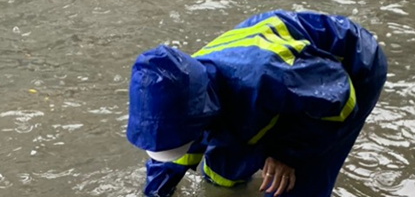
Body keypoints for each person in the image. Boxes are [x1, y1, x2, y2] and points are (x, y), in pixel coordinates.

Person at [126, 10, 388, 197]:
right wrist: (156, 193)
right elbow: (170, 153)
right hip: (281, 84)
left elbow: (341, 101)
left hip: (350, 71)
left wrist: (287, 154)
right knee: (221, 173)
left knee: (290, 184)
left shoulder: (267, 76)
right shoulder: (178, 87)